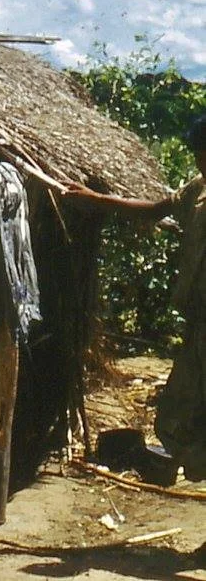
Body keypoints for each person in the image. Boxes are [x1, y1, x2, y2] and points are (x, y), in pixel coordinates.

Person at [63, 115, 206, 487]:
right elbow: (155, 210)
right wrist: (97, 200)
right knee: (178, 410)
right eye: (199, 154)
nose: (201, 161)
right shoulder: (197, 190)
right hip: (199, 324)